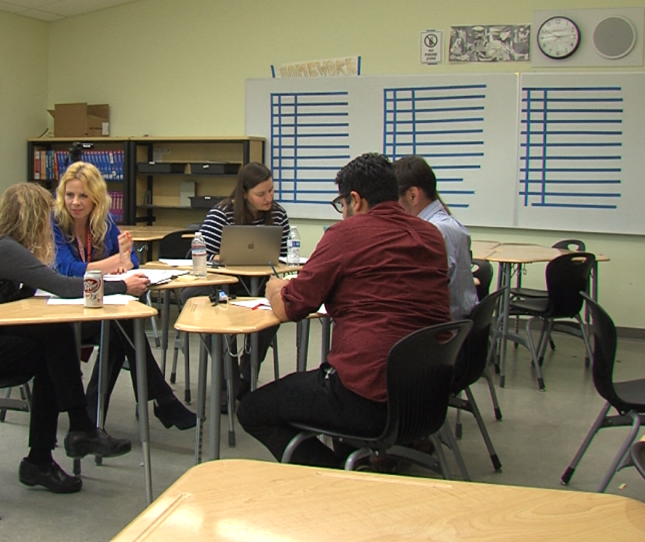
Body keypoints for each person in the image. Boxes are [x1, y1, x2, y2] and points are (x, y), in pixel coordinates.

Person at [0, 183, 148, 495]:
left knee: (54, 335)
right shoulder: (2, 249)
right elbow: (64, 287)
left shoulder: (9, 249)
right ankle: (64, 441)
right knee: (51, 349)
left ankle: (61, 444)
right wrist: (122, 286)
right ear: (33, 218)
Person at [237, 152, 451, 468]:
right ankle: (361, 459)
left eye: (342, 205)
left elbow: (290, 308)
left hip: (367, 397)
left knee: (253, 410)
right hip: (426, 397)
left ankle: (339, 478)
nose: (343, 213)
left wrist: (274, 288)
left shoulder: (345, 235)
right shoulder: (431, 235)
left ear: (355, 199)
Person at [52, 162, 196, 431]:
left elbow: (131, 259)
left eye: (83, 196)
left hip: (98, 308)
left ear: (96, 197)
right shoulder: (56, 222)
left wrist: (120, 260)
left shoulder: (103, 220)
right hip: (63, 313)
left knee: (118, 328)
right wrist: (114, 262)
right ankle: (162, 400)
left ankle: (93, 419)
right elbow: (68, 270)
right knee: (122, 325)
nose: (75, 202)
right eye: (69, 195)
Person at [180, 162, 290, 402]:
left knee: (279, 305)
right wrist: (216, 257)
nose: (268, 198)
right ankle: (229, 380)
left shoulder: (278, 214)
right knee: (201, 302)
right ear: (244, 193)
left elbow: (282, 257)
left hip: (260, 284)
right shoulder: (222, 213)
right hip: (224, 284)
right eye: (261, 194)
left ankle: (248, 373)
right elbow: (196, 255)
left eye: (271, 191)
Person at [394, 155, 478, 320]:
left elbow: (415, 293)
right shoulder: (452, 224)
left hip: (442, 329)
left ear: (412, 195)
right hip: (461, 324)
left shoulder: (430, 233)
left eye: (394, 199)